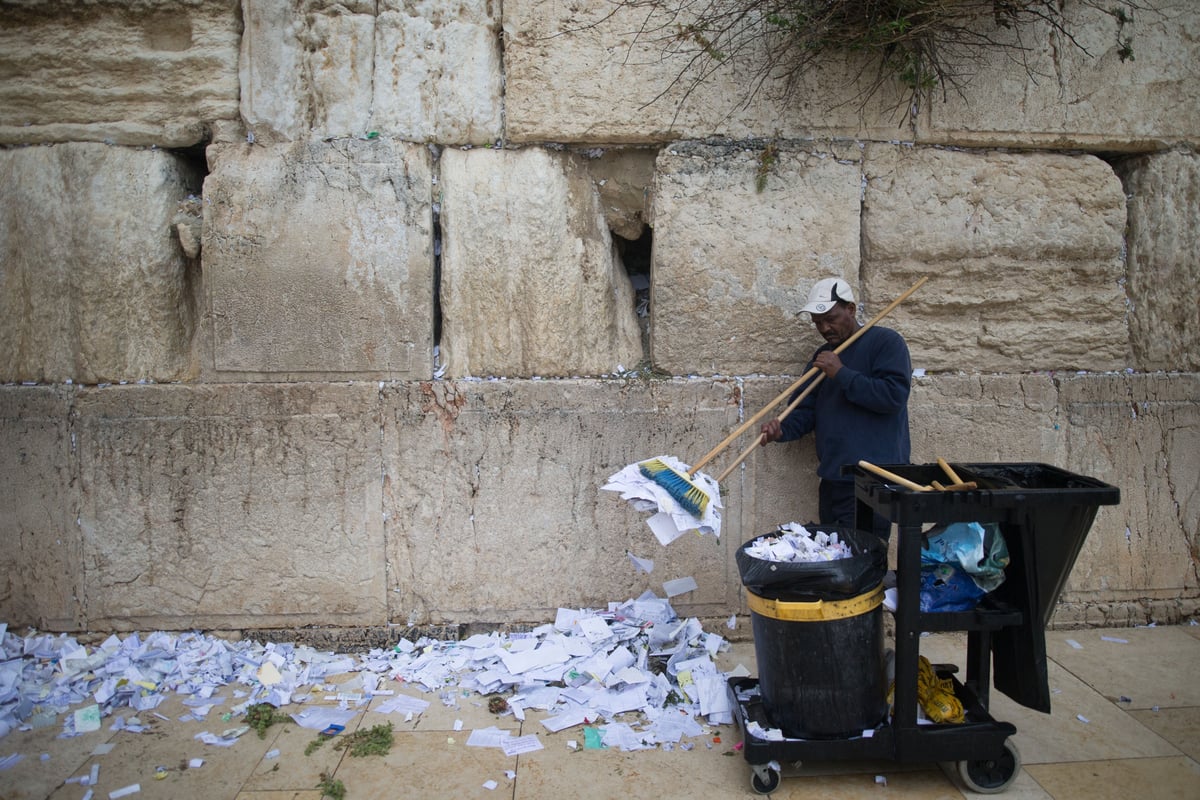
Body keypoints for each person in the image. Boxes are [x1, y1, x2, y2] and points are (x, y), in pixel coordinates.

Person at [759, 277, 911, 540]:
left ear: (850, 310)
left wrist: (840, 373)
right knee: (834, 557)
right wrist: (780, 431)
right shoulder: (822, 357)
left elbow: (893, 397)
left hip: (873, 481)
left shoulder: (885, 342)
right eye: (818, 323)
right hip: (834, 481)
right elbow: (804, 413)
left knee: (864, 561)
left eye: (830, 318)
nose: (825, 328)